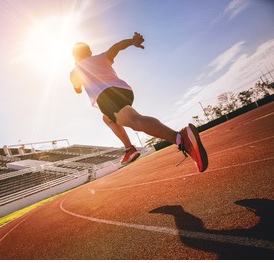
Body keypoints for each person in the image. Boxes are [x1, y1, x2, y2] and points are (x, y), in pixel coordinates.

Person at [70, 32, 208, 172]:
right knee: (108, 119)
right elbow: (116, 47)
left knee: (135, 121)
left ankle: (180, 138)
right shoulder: (101, 57)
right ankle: (129, 149)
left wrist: (77, 68)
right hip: (124, 91)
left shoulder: (75, 71)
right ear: (90, 52)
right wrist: (132, 41)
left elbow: (78, 90)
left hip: (106, 96)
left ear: (75, 56)